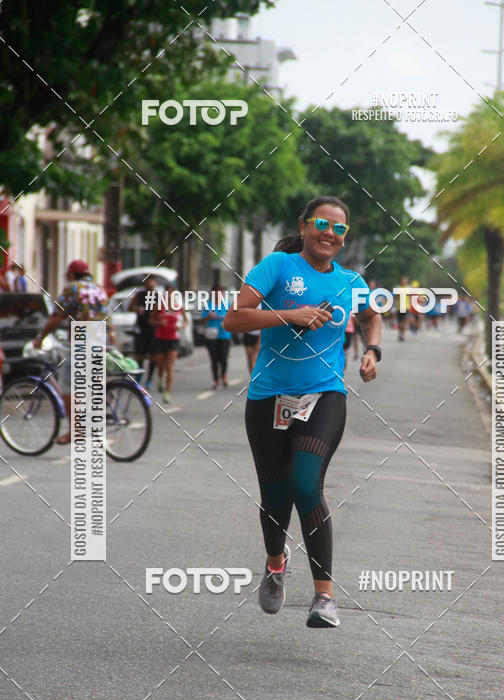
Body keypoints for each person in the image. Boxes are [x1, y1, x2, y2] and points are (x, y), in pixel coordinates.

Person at [223, 195, 382, 629]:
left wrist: (372, 350)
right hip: (268, 398)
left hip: (324, 394)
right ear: (304, 226)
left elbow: (371, 317)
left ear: (345, 236)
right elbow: (234, 319)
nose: (330, 233)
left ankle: (324, 596)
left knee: (307, 483)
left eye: (339, 228)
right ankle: (276, 564)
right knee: (275, 498)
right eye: (322, 224)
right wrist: (289, 315)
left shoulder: (351, 282)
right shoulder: (278, 267)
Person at [33, 259, 111, 443]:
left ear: (71, 275)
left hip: (83, 340)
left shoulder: (73, 288)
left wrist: (40, 338)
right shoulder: (99, 288)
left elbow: (56, 318)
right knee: (91, 381)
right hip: (102, 339)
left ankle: (75, 431)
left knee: (68, 387)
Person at [149, 283, 188, 403]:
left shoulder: (178, 307)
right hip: (160, 338)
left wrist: (181, 326)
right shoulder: (159, 306)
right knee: (161, 364)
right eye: (167, 293)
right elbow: (150, 320)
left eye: (172, 293)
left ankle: (167, 393)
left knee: (170, 366)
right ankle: (161, 379)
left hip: (173, 339)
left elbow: (186, 321)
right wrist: (159, 323)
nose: (169, 295)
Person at [128, 274, 158, 387]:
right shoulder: (139, 295)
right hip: (140, 328)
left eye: (151, 282)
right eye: (147, 282)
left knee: (153, 356)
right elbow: (130, 307)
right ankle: (139, 376)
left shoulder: (158, 296)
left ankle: (149, 379)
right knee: (140, 355)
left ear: (155, 283)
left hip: (153, 328)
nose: (149, 284)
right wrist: (137, 309)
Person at [202, 288, 231, 389]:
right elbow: (202, 321)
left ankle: (224, 375)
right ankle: (215, 380)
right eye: (216, 294)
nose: (219, 296)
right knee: (214, 359)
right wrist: (208, 317)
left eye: (221, 294)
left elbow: (234, 319)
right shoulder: (208, 305)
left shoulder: (227, 305)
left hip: (224, 335)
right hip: (211, 336)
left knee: (223, 358)